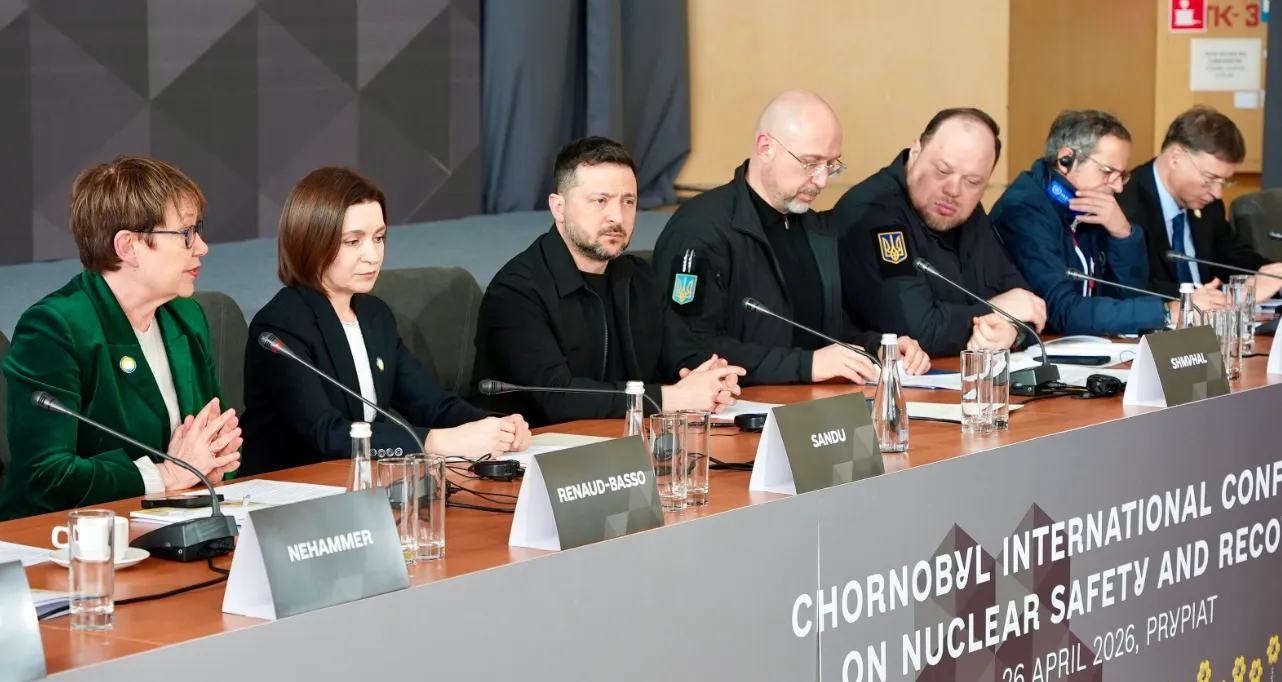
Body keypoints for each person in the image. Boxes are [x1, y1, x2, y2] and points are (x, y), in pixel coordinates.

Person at [239, 167, 530, 475]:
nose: (373, 255)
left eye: (379, 238)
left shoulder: (374, 315)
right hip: (290, 494)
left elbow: (431, 405)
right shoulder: (280, 326)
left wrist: (494, 426)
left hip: (359, 487)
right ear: (310, 242)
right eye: (353, 241)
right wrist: (437, 441)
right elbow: (326, 434)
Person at [0, 157, 241, 520]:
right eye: (186, 233)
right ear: (128, 246)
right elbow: (46, 476)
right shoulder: (54, 327)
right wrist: (168, 474)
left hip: (171, 523)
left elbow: (209, 445)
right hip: (60, 543)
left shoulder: (185, 316)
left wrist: (213, 465)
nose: (202, 246)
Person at [652, 90, 930, 385]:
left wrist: (879, 347)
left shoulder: (813, 226)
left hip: (811, 410)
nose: (822, 180)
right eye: (811, 163)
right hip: (735, 415)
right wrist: (807, 365)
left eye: (831, 165)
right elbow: (689, 348)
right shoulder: (702, 228)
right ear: (765, 148)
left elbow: (822, 330)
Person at [472, 136, 746, 428]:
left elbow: (683, 352)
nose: (617, 216)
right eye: (600, 201)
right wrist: (671, 398)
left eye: (628, 201)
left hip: (624, 446)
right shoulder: (516, 291)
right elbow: (559, 398)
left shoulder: (637, 276)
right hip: (535, 457)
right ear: (558, 207)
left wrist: (714, 376)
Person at [831, 108, 1048, 357]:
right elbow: (917, 331)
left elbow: (1027, 304)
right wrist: (996, 310)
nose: (954, 190)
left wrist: (1011, 333)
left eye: (973, 182)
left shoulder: (966, 211)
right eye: (943, 171)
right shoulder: (874, 213)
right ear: (915, 153)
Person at [990, 110, 1222, 335]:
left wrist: (1123, 234)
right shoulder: (1023, 211)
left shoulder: (1092, 204)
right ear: (1065, 159)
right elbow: (1062, 311)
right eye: (1108, 171)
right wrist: (1167, 311)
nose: (1118, 187)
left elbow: (1126, 298)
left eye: (1122, 175)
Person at [1119, 106, 1282, 301]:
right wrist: (1228, 297)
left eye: (1224, 182)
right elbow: (1131, 288)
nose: (1217, 193)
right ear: (1176, 157)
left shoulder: (1207, 204)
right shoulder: (1125, 203)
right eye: (1210, 178)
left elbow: (1233, 259)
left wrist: (1275, 279)